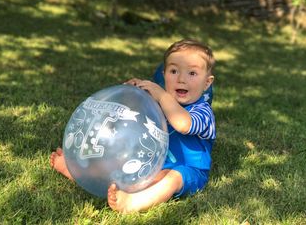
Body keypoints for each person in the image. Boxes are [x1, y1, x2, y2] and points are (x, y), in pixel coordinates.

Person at [50, 39, 216, 213]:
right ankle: (79, 174)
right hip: (153, 164)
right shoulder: (160, 101)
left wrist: (161, 95)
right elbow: (135, 115)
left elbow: (183, 124)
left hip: (189, 170)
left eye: (192, 73)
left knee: (173, 178)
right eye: (174, 71)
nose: (181, 79)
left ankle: (134, 203)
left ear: (207, 83)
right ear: (164, 74)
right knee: (116, 163)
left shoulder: (203, 112)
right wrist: (135, 93)